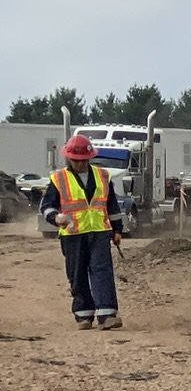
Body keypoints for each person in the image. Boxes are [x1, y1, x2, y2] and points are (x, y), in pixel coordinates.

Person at [41, 134, 123, 330]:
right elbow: (46, 207)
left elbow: (112, 206)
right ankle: (83, 315)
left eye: (83, 160)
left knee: (102, 272)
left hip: (99, 232)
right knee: (77, 275)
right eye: (76, 160)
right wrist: (56, 218)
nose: (80, 164)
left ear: (89, 158)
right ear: (69, 158)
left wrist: (117, 230)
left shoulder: (103, 176)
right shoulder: (58, 178)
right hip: (72, 234)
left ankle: (107, 315)